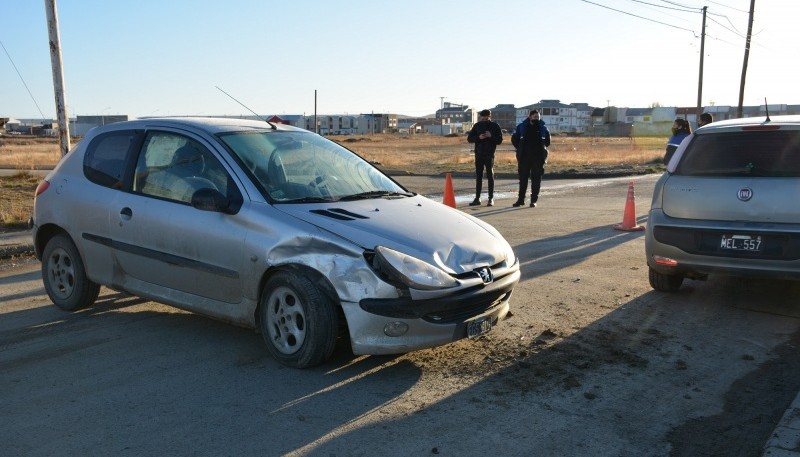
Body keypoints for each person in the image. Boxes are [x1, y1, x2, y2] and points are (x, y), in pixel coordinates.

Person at [511, 109, 550, 207]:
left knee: (536, 180)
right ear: (530, 117)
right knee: (523, 180)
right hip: (524, 158)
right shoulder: (522, 127)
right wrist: (519, 148)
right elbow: (514, 139)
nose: (536, 118)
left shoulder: (543, 128)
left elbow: (548, 142)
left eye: (538, 117)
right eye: (534, 116)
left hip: (538, 158)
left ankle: (533, 200)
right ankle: (521, 200)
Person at [466, 109, 503, 206]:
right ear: (481, 117)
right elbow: (469, 138)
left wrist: (491, 136)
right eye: (483, 117)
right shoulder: (477, 126)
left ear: (490, 116)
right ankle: (477, 198)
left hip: (489, 154)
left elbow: (499, 140)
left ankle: (490, 198)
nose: (485, 118)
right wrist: (479, 137)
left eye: (486, 116)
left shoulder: (495, 126)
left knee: (490, 176)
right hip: (479, 154)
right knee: (479, 176)